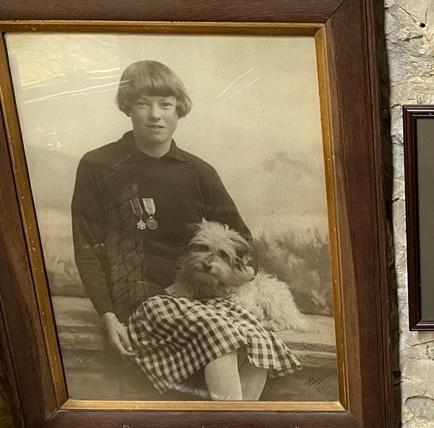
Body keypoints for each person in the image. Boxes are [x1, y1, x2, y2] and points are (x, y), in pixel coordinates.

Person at [71, 60, 299, 400]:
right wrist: (108, 316)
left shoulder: (198, 172)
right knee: (222, 339)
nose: (155, 115)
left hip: (202, 299)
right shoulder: (98, 166)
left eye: (166, 104)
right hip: (143, 302)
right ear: (127, 107)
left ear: (179, 110)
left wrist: (242, 284)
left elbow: (242, 240)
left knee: (258, 344)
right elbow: (87, 247)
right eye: (143, 103)